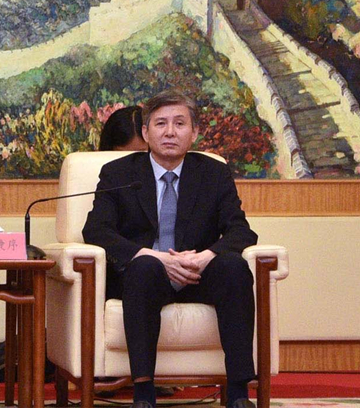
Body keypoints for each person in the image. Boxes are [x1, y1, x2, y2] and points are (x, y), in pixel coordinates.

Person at [82, 90, 258, 408]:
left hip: (196, 273)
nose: (170, 132)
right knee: (143, 267)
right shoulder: (118, 173)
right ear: (146, 132)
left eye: (179, 123)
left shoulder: (214, 173)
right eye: (160, 123)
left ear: (194, 132)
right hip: (146, 277)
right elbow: (96, 230)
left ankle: (238, 393)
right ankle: (143, 394)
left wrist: (205, 257)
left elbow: (240, 230)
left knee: (234, 267)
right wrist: (155, 257)